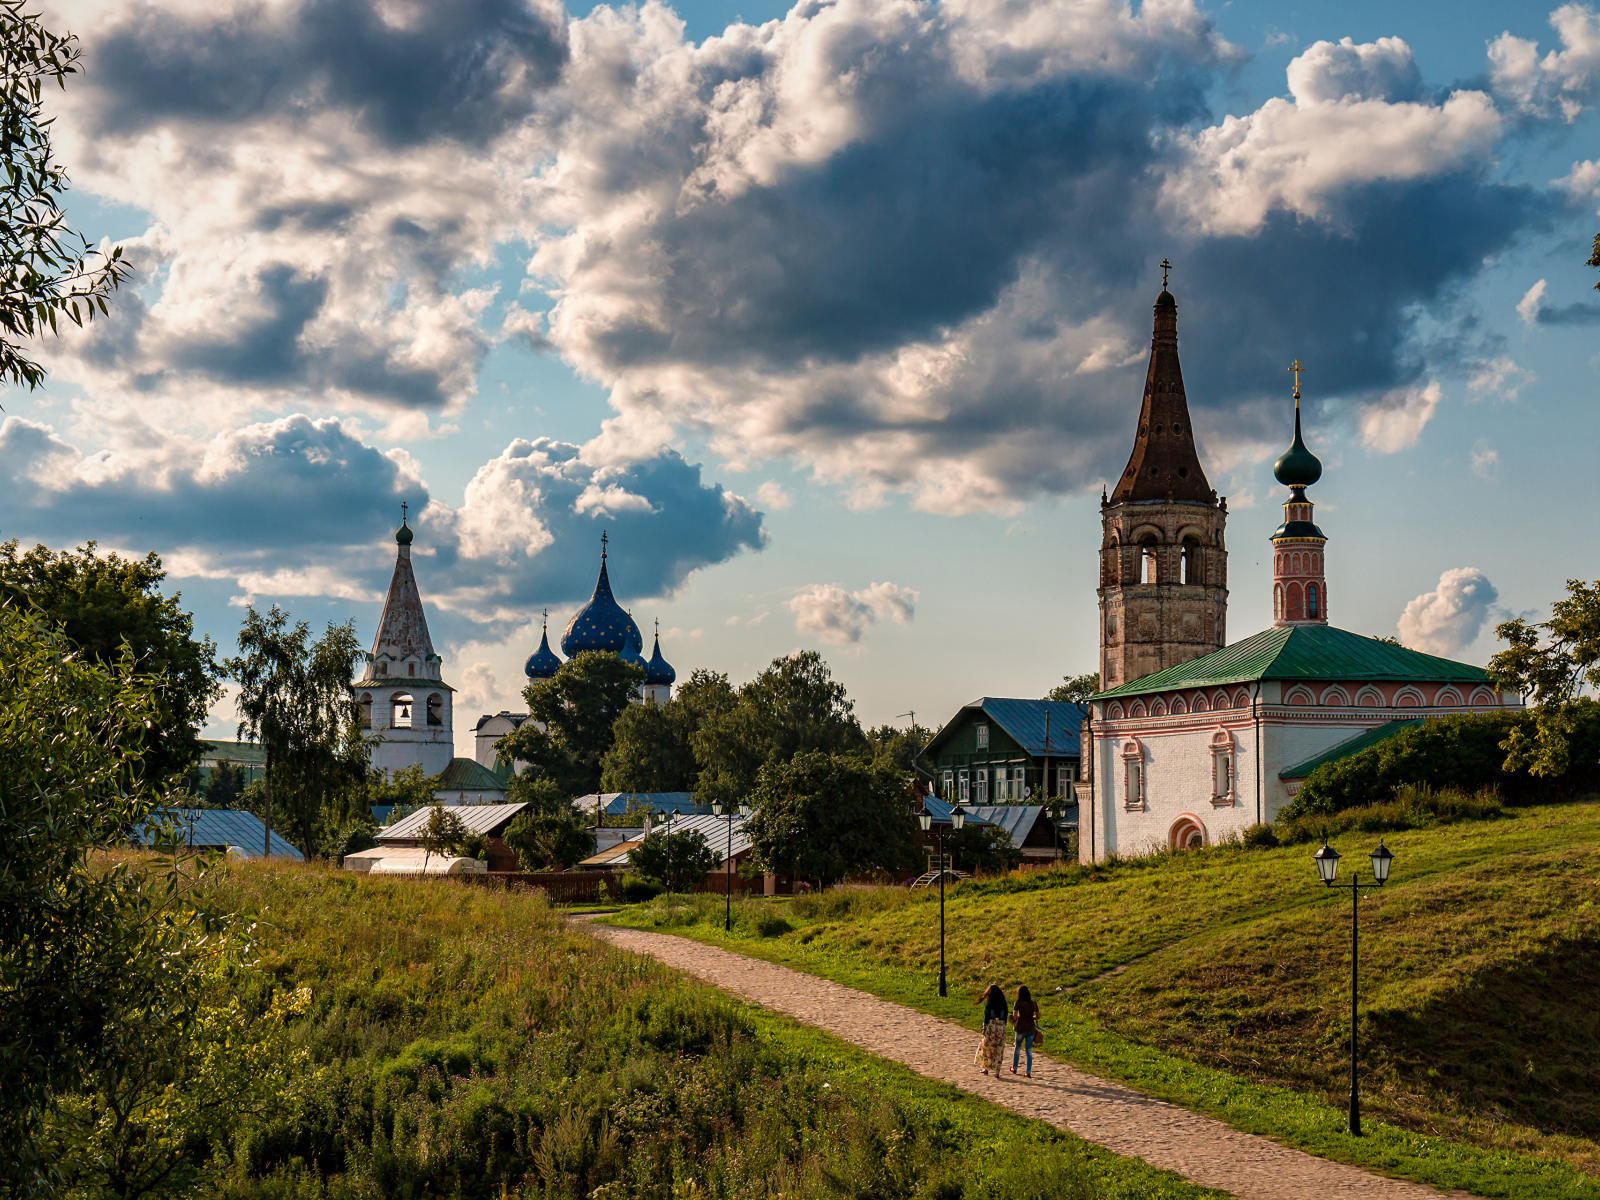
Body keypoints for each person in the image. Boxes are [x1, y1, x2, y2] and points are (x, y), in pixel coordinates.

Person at [974, 984, 1007, 1075]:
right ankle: (997, 1071)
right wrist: (1004, 1027)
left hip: (991, 1026)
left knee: (986, 1048)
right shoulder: (1003, 1001)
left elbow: (986, 1016)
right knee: (999, 1049)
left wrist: (984, 1028)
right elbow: (1005, 1016)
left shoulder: (990, 1002)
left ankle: (985, 1068)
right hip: (1001, 1026)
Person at [1010, 984, 1039, 1077]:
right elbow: (1038, 1016)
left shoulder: (1018, 1003)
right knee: (1028, 1050)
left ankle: (1014, 1068)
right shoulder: (1033, 1003)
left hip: (1020, 1029)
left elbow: (1014, 1016)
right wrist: (1032, 1017)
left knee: (1017, 1048)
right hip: (1030, 1029)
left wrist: (1017, 1018)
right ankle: (1028, 1071)